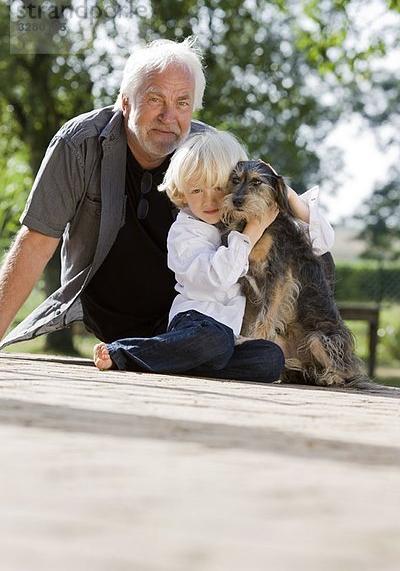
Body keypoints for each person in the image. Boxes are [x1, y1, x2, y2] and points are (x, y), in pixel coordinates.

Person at [0, 36, 334, 353]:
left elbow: (308, 242)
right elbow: (36, 242)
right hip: (109, 317)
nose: (168, 116)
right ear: (125, 102)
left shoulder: (213, 151)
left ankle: (173, 354)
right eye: (155, 99)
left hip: (199, 320)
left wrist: (280, 188)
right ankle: (135, 352)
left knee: (265, 355)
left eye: (182, 103)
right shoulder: (80, 145)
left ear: (194, 108)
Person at [94, 129, 286, 382]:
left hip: (229, 336)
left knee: (270, 358)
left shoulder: (232, 224)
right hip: (195, 323)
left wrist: (278, 184)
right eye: (197, 191)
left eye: (219, 187)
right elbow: (219, 277)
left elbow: (320, 237)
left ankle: (180, 362)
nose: (210, 200)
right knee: (213, 340)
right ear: (182, 193)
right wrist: (252, 233)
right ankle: (124, 352)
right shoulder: (184, 232)